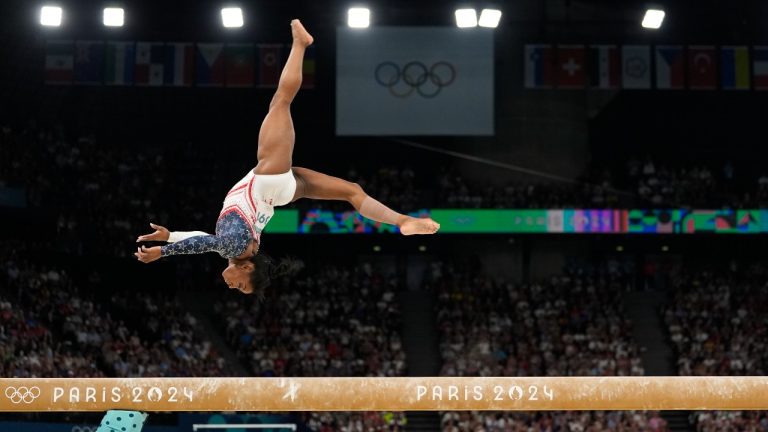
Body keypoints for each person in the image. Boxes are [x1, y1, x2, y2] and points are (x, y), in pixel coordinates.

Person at [135, 20, 440, 295]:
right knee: (281, 101)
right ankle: (300, 44)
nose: (231, 286)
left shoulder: (237, 248)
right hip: (269, 180)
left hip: (281, 192)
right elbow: (206, 244)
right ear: (248, 268)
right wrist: (163, 253)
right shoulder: (236, 246)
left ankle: (402, 220)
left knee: (352, 192)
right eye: (241, 286)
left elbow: (206, 240)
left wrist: (171, 235)